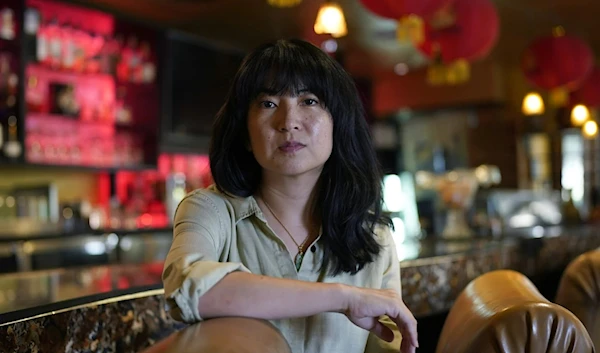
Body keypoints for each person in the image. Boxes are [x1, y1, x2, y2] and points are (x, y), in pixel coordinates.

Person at [162, 38, 418, 353]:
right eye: (268, 103)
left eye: (309, 101)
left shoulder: (373, 237)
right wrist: (344, 297)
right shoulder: (210, 210)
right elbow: (189, 291)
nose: (288, 122)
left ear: (338, 123)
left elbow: (389, 346)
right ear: (244, 131)